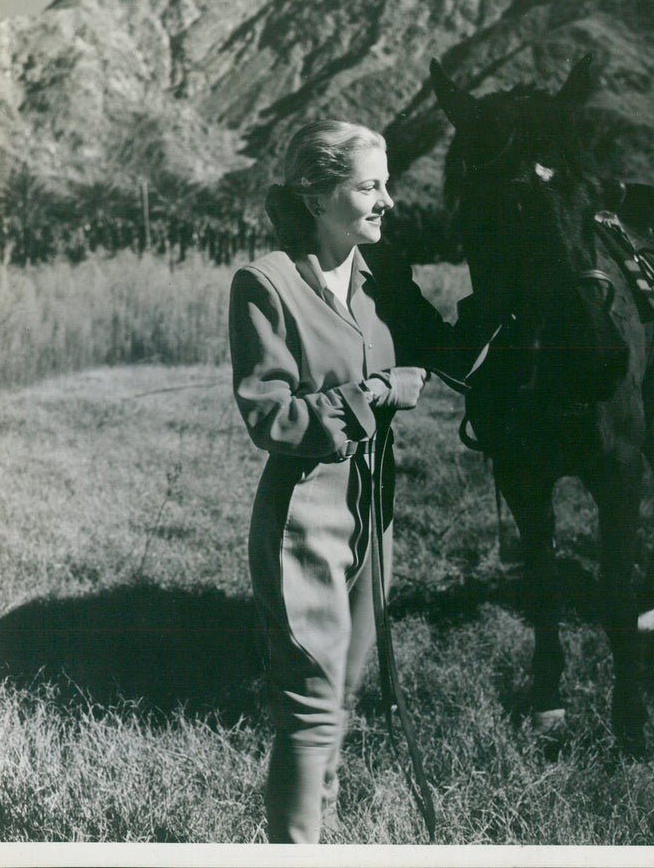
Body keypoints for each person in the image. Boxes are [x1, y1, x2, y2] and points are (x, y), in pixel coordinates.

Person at [229, 120, 454, 843]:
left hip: (372, 520)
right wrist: (379, 394)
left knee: (342, 696)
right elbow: (271, 417)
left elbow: (443, 351)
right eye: (370, 185)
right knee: (310, 703)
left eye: (386, 183)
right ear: (319, 194)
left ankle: (317, 830)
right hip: (304, 521)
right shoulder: (266, 283)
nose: (389, 199)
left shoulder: (372, 279)